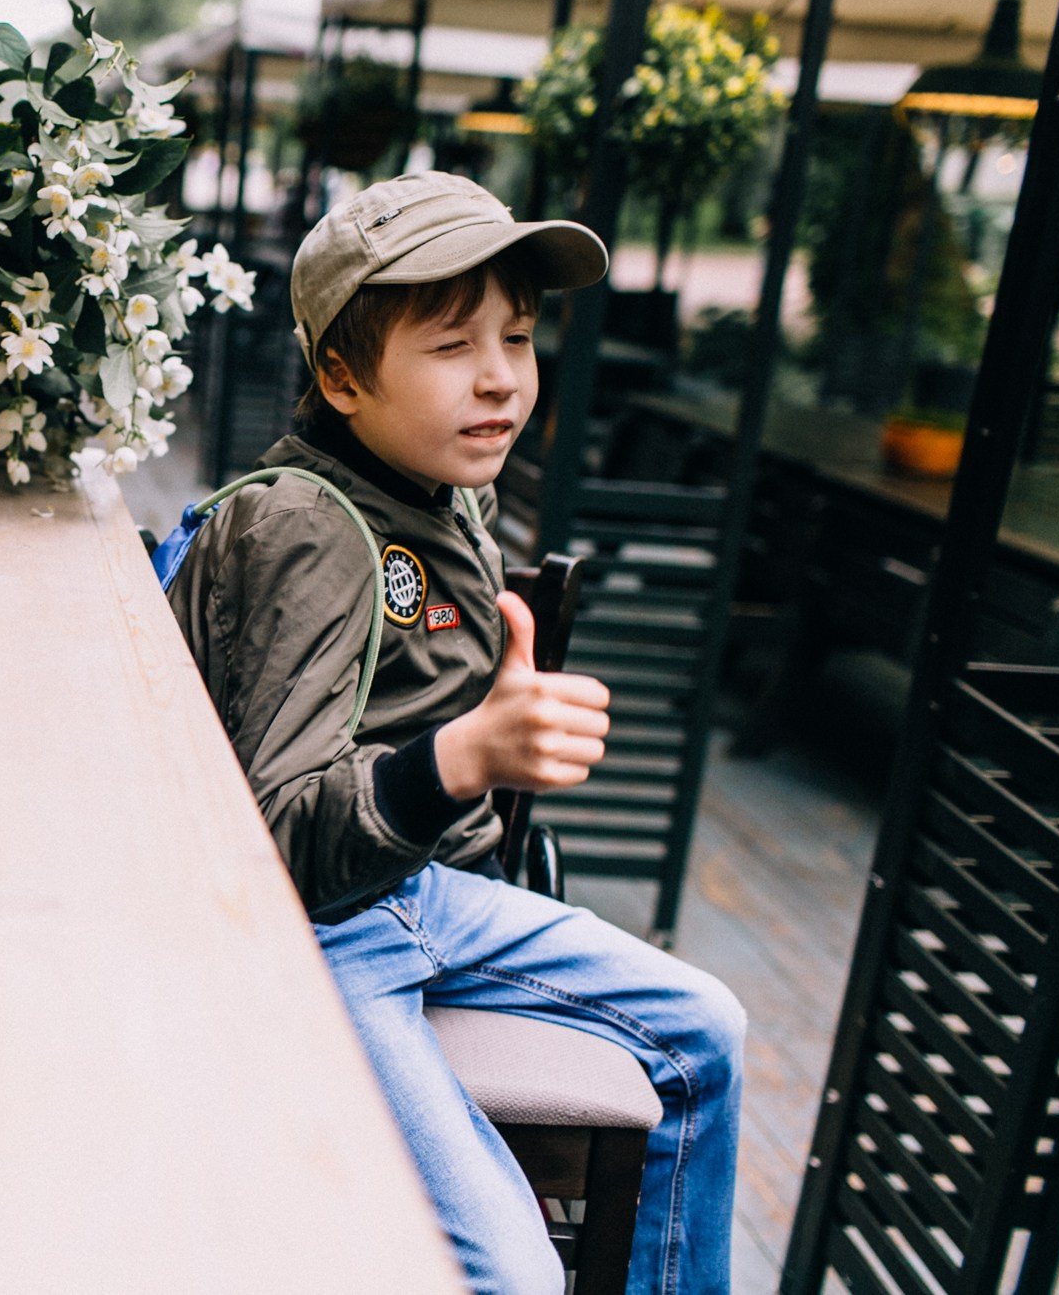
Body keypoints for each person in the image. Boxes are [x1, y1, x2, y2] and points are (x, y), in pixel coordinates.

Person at [163, 172, 744, 1295]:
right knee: (512, 1276)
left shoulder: (441, 488)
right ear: (342, 377)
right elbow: (277, 845)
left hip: (435, 893)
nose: (500, 378)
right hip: (328, 933)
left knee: (705, 1031)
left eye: (516, 338)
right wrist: (464, 756)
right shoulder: (308, 528)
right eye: (450, 346)